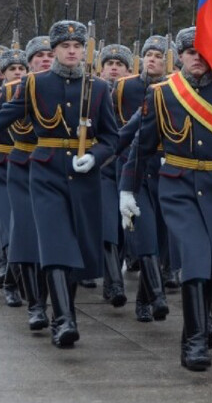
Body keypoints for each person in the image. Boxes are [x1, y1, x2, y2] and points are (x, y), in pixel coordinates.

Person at [119, 26, 212, 370]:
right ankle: (194, 342)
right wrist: (127, 190)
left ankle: (204, 320)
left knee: (209, 261)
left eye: (204, 52)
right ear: (179, 56)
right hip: (177, 186)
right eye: (191, 52)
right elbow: (142, 146)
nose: (197, 59)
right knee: (194, 257)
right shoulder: (161, 94)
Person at [0, 21, 119, 347]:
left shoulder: (96, 88)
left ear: (83, 50)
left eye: (77, 46)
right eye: (65, 46)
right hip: (45, 173)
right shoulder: (36, 84)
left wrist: (95, 155)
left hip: (84, 178)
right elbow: (7, 114)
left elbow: (112, 137)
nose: (71, 51)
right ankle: (65, 320)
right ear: (53, 51)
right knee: (55, 243)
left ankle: (62, 314)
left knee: (76, 248)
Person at [113, 35, 172, 323]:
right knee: (144, 232)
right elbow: (119, 127)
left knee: (161, 236)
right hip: (136, 164)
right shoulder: (125, 86)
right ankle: (157, 295)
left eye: (159, 55)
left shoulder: (174, 89)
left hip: (169, 168)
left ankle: (144, 300)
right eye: (148, 54)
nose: (152, 59)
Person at [6, 37, 51, 327]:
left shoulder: (69, 89)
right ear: (29, 61)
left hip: (54, 169)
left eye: (50, 54)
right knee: (24, 231)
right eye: (39, 56)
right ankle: (35, 304)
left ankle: (42, 297)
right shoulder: (12, 90)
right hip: (22, 167)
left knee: (49, 237)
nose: (45, 59)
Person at [99, 43, 135, 308]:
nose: (113, 68)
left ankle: (116, 271)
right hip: (102, 164)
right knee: (107, 223)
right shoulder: (93, 91)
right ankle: (114, 282)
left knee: (124, 226)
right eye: (109, 64)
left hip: (126, 162)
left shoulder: (134, 92)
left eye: (119, 64)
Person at [0, 49, 28, 308]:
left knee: (21, 227)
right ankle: (11, 279)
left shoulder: (35, 93)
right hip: (2, 168)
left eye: (22, 69)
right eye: (12, 70)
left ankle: (13, 277)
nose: (18, 73)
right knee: (11, 228)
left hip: (28, 166)